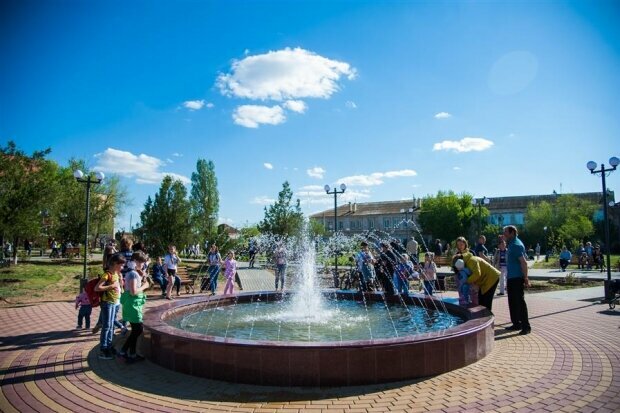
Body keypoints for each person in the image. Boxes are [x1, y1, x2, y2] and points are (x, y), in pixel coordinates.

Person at [119, 251, 150, 363]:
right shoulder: (132, 273)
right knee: (138, 329)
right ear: (136, 261)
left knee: (135, 330)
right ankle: (123, 351)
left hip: (133, 305)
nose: (143, 265)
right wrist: (144, 286)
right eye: (142, 262)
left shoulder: (134, 272)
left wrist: (142, 277)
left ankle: (132, 354)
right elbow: (133, 292)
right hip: (132, 305)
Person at [95, 253, 125, 359]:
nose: (123, 267)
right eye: (121, 265)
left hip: (113, 303)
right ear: (115, 264)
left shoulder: (117, 274)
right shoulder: (107, 275)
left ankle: (109, 345)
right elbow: (97, 288)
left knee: (111, 326)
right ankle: (103, 349)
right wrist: (111, 286)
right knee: (106, 326)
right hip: (107, 303)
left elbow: (119, 288)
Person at [503, 225, 531, 335]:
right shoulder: (511, 244)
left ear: (512, 233)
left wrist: (526, 278)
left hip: (516, 278)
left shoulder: (516, 245)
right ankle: (516, 323)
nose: (504, 234)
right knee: (512, 302)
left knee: (519, 302)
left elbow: (524, 263)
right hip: (511, 277)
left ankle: (526, 326)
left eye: (505, 232)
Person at [457, 245, 500, 312]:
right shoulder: (468, 261)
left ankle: (487, 317)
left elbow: (477, 274)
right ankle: (484, 316)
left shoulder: (471, 261)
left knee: (486, 302)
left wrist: (467, 281)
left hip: (492, 279)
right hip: (486, 280)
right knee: (481, 300)